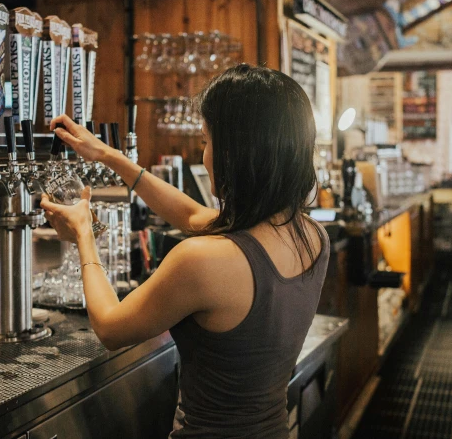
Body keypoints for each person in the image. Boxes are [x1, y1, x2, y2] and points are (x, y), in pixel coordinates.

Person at [41, 65, 328, 437]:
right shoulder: (311, 235)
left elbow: (110, 328)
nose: (205, 157)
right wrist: (110, 157)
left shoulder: (202, 261)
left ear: (237, 151)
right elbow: (191, 213)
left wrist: (83, 233)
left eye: (207, 141)